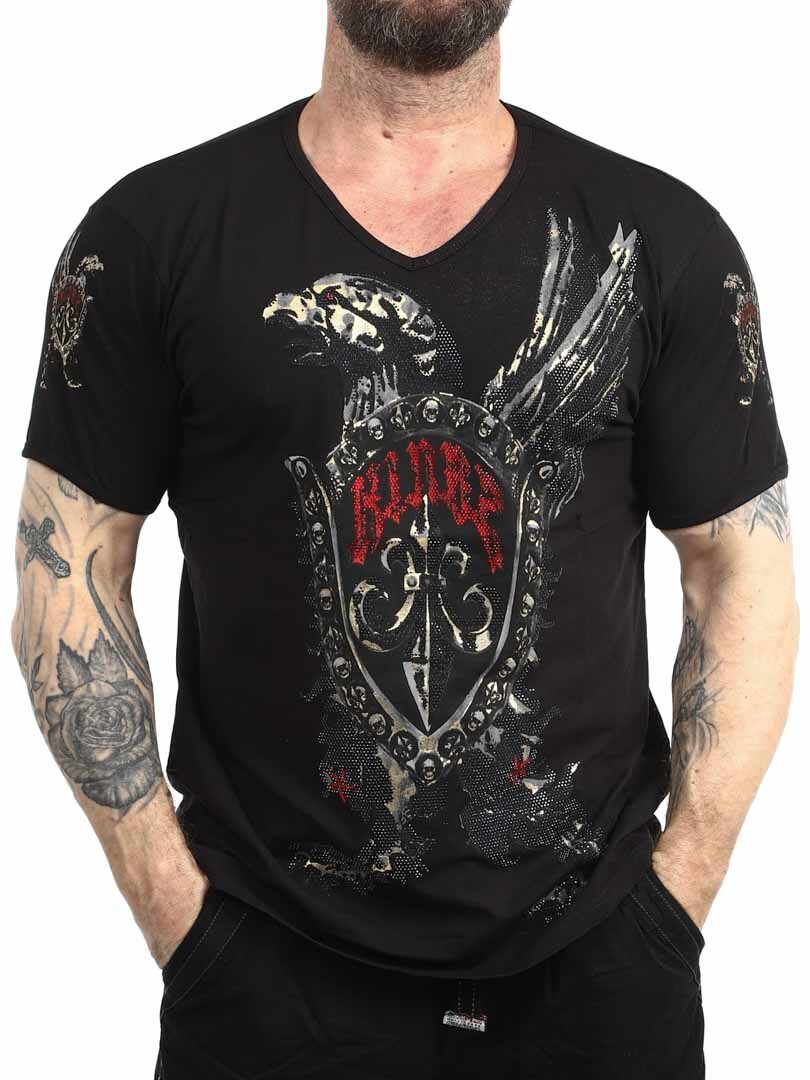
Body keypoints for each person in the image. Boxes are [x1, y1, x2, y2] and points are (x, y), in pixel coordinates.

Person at [13, 2, 797, 1077]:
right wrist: (175, 913)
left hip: (595, 972)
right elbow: (71, 557)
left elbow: (738, 567)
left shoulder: (663, 235)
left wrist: (677, 898)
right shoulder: (154, 233)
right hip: (264, 972)